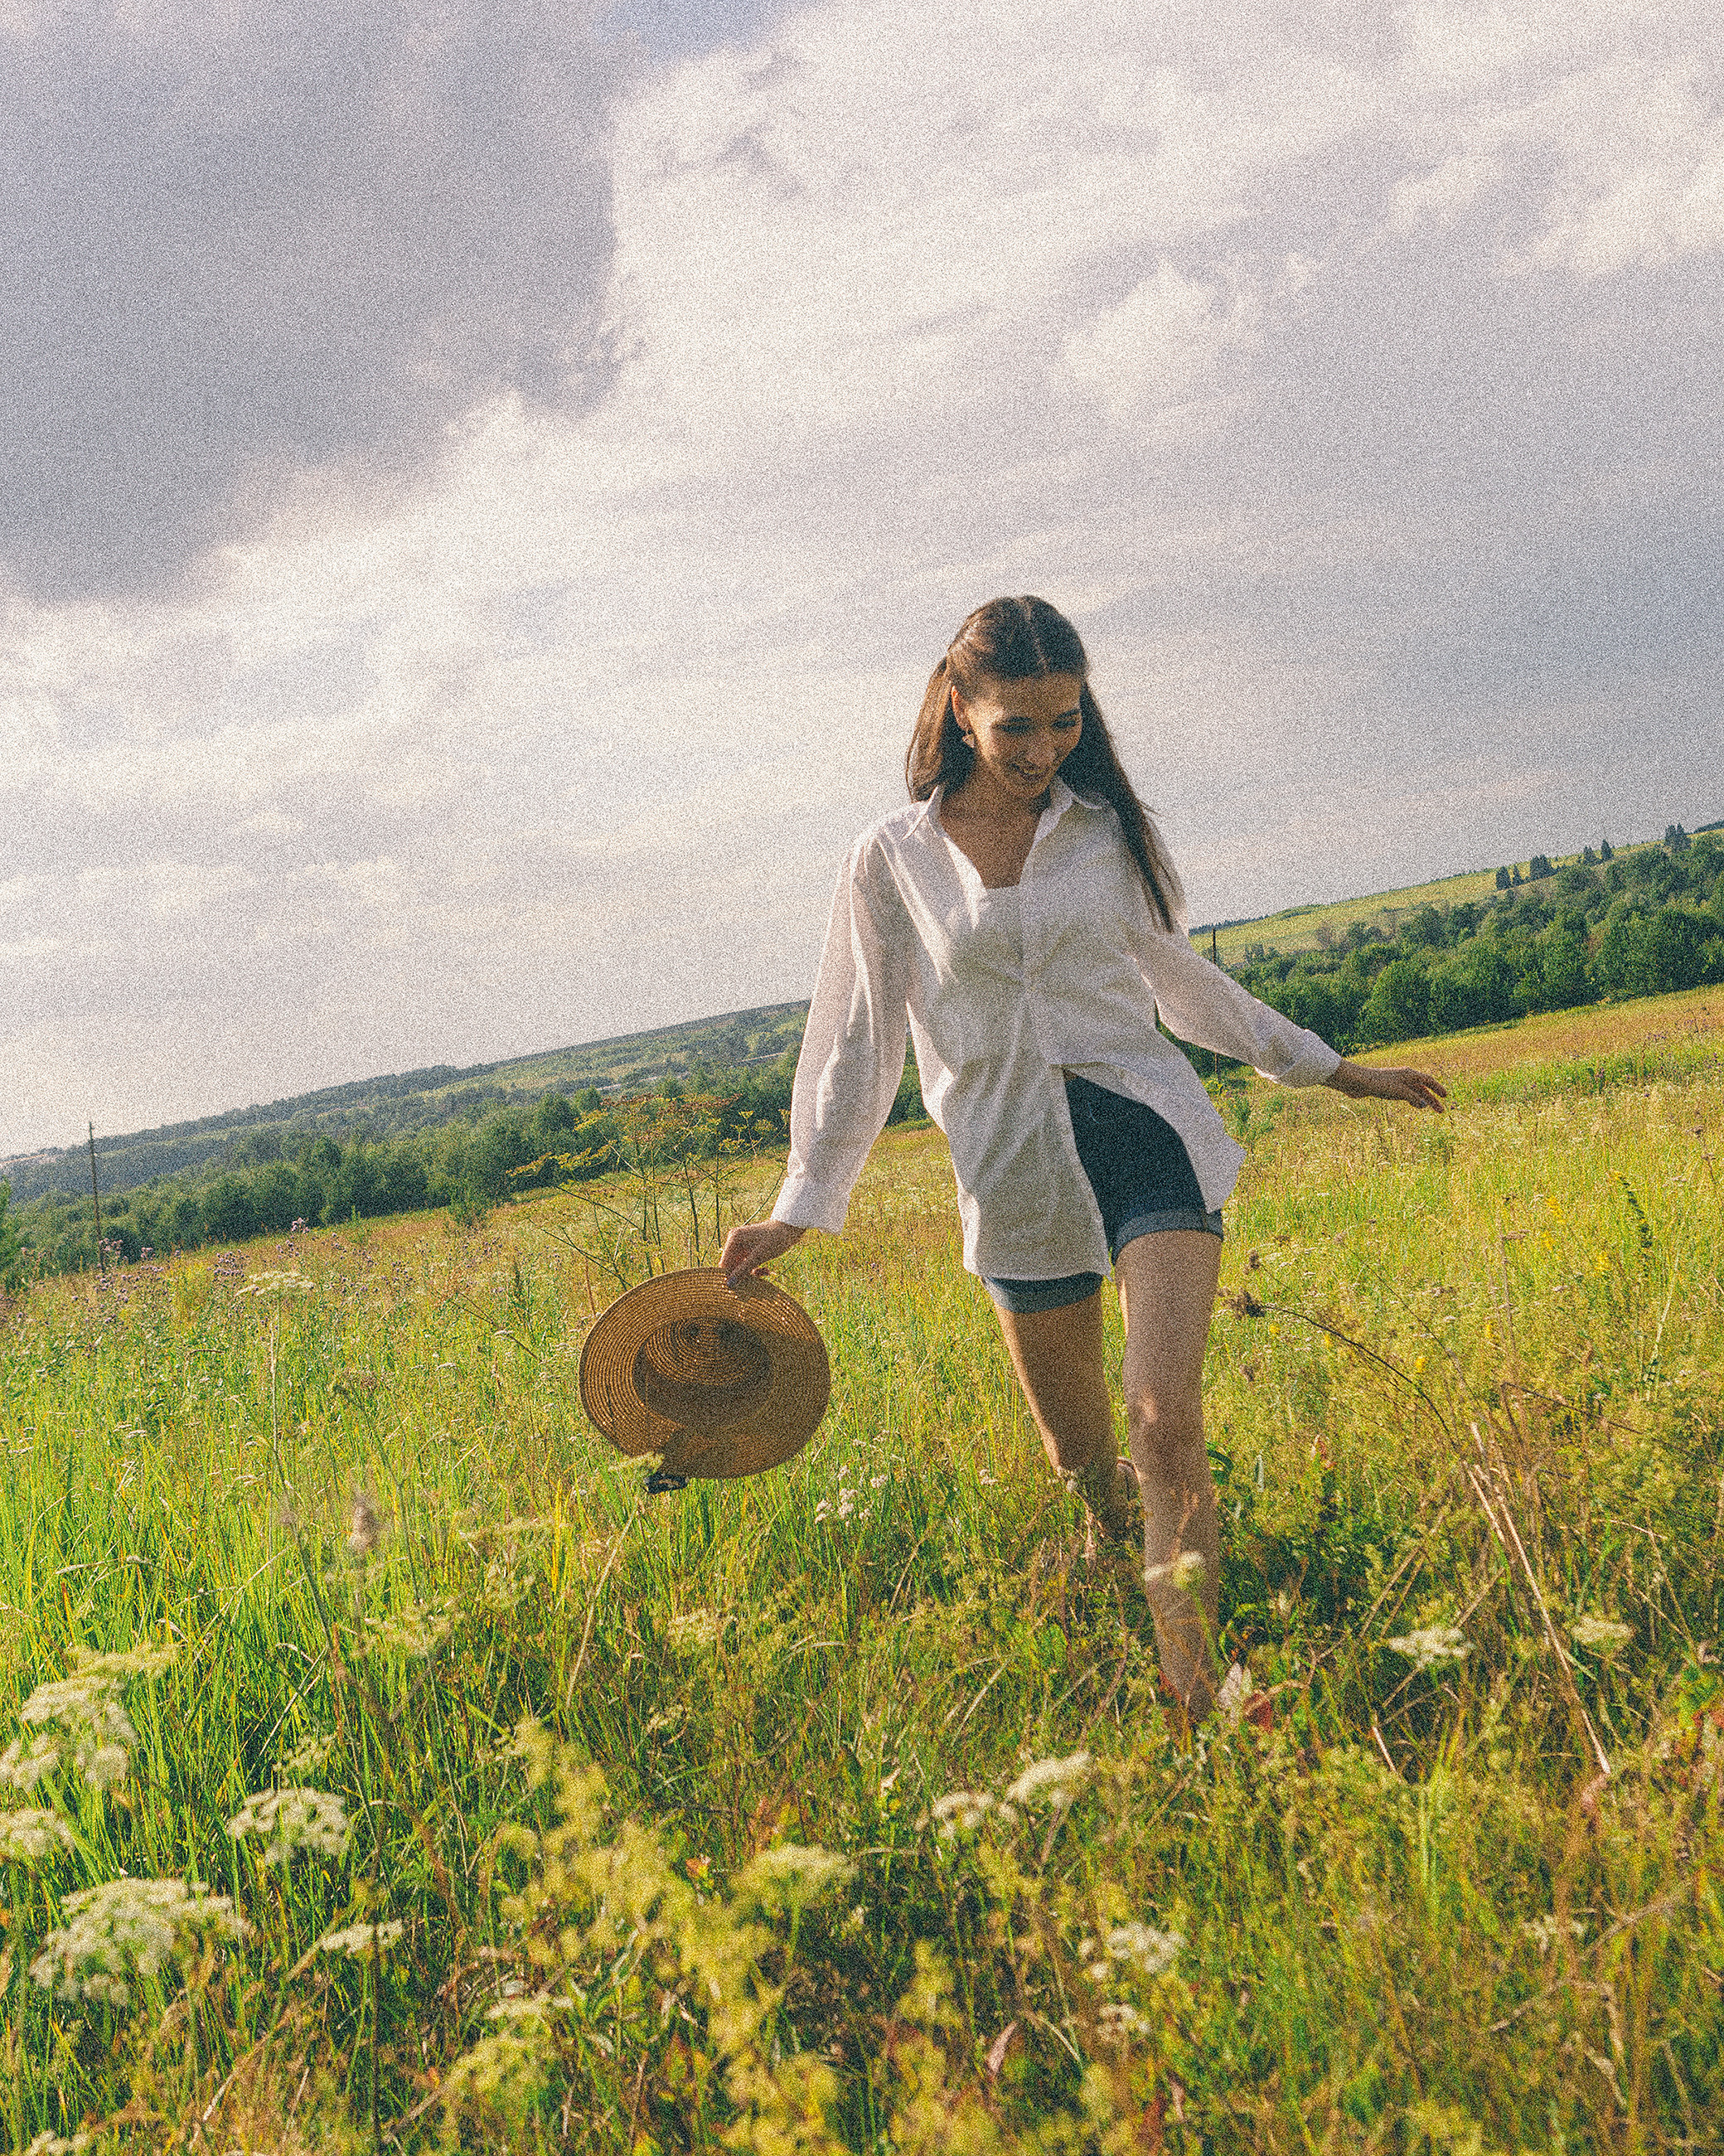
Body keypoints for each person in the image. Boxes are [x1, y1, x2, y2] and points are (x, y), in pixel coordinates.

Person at [720, 597, 1444, 1718]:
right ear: (960, 712)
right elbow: (857, 1039)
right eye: (1018, 727)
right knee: (1086, 1466)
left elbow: (1185, 985)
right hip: (1010, 1171)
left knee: (1166, 1419)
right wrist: (801, 1207)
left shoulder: (1106, 831)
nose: (1044, 749)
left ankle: (1196, 1689)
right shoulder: (890, 861)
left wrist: (1333, 1067)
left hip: (1142, 1128)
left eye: (1064, 723)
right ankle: (1131, 1579)